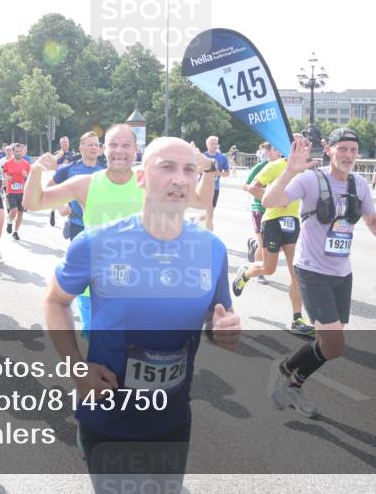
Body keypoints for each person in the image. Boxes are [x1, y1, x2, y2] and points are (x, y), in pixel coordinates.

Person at [44, 136, 241, 492]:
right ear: (141, 178)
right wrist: (76, 369)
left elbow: (217, 314)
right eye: (166, 167)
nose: (179, 179)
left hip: (173, 418)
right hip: (108, 417)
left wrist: (222, 326)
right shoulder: (96, 242)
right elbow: (55, 301)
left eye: (189, 170)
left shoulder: (211, 248)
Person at [262, 129, 376, 417]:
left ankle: (290, 376)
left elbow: (371, 219)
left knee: (329, 344)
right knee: (334, 344)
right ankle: (291, 378)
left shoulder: (359, 184)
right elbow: (269, 202)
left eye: (353, 150)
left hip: (341, 271)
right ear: (328, 149)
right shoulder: (310, 179)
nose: (349, 155)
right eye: (343, 149)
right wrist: (288, 171)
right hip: (311, 270)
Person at [27, 124, 216, 338]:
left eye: (126, 145)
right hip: (96, 290)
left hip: (144, 286)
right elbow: (34, 202)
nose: (119, 150)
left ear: (136, 149)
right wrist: (35, 171)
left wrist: (209, 168)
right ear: (103, 149)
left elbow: (201, 202)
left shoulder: (147, 180)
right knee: (102, 353)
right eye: (113, 145)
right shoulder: (85, 184)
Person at [234, 142, 316, 336]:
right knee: (268, 269)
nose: (302, 151)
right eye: (298, 147)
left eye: (305, 148)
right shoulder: (275, 166)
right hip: (272, 220)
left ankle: (297, 319)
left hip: (293, 222)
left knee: (295, 271)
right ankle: (245, 273)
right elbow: (253, 188)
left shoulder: (306, 171)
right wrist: (278, 197)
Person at [244, 142, 273, 273]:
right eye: (275, 149)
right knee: (263, 244)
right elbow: (245, 185)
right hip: (259, 208)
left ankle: (254, 244)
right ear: (267, 151)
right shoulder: (261, 167)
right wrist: (264, 191)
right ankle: (258, 272)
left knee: (280, 245)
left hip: (276, 211)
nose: (279, 152)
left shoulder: (285, 167)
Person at [1, 143, 30, 241]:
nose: (18, 153)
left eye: (20, 151)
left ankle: (16, 232)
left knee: (21, 213)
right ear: (13, 152)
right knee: (13, 210)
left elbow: (30, 178)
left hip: (22, 191)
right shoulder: (7, 163)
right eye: (16, 151)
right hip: (11, 190)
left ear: (22, 151)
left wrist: (26, 176)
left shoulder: (26, 164)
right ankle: (9, 222)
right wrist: (6, 177)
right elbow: (3, 172)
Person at [202, 135, 230, 231]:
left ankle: (208, 235)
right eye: (212, 143)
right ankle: (209, 237)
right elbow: (195, 170)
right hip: (202, 188)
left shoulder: (222, 158)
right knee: (209, 215)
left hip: (215, 188)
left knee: (209, 214)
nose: (214, 145)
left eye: (216, 143)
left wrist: (219, 173)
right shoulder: (202, 156)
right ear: (207, 145)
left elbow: (227, 173)